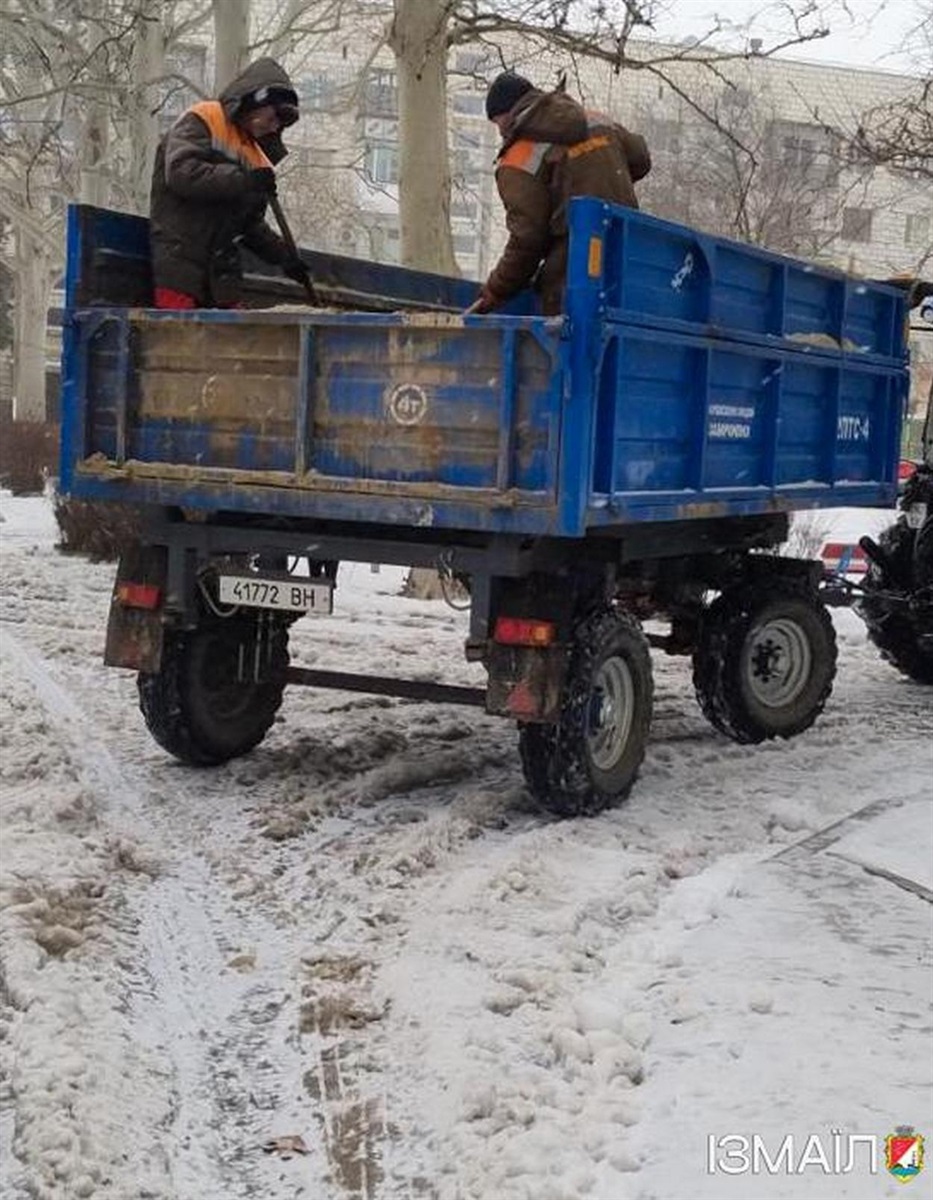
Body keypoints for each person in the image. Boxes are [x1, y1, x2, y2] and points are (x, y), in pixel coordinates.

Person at [468, 72, 651, 316]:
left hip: (573, 271)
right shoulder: (597, 121)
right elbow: (641, 158)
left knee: (557, 328)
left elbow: (527, 239)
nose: (499, 129)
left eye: (495, 120)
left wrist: (496, 289)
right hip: (629, 258)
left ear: (505, 113)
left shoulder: (518, 159)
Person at [149, 57, 310, 309]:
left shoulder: (257, 157)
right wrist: (244, 180)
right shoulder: (204, 119)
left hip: (222, 277)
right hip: (181, 266)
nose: (275, 125)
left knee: (229, 345)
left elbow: (248, 225)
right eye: (274, 116)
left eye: (281, 122)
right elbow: (182, 173)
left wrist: (284, 257)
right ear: (256, 100)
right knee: (180, 341)